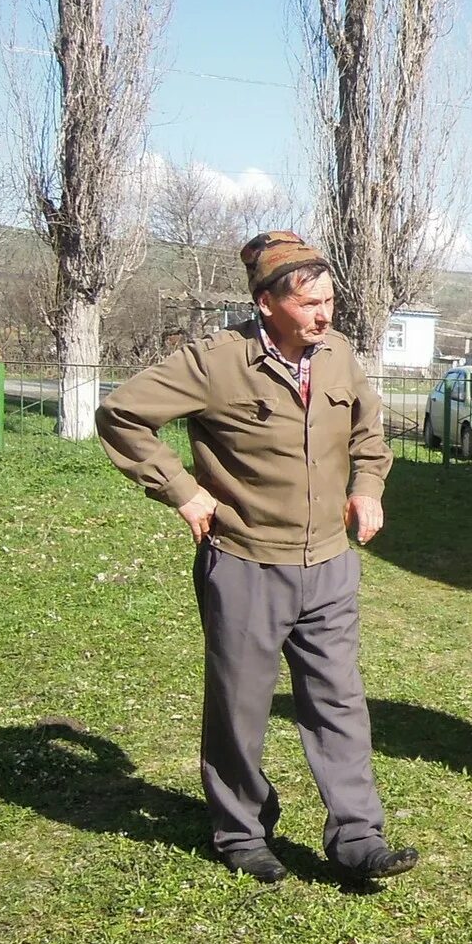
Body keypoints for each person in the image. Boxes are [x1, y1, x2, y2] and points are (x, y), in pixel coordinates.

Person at [95, 230, 418, 885]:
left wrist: (367, 488)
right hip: (244, 563)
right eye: (309, 304)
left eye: (329, 300)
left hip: (328, 564)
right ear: (267, 302)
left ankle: (357, 836)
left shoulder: (339, 357)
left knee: (339, 703)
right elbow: (120, 415)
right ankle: (241, 832)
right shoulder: (217, 362)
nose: (324, 314)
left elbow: (368, 436)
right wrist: (182, 491)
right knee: (241, 707)